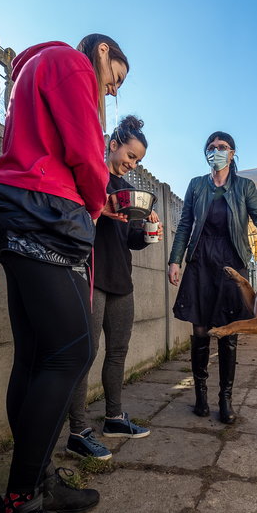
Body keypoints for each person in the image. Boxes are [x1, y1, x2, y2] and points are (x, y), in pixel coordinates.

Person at [0, 33, 128, 513]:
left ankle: (35, 487)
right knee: (73, 350)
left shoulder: (35, 71)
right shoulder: (70, 63)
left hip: (22, 211)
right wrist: (98, 195)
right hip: (41, 213)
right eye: (117, 75)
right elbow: (86, 150)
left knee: (38, 356)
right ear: (103, 51)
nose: (113, 87)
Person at [65, 115, 160, 460]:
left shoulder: (127, 190)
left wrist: (148, 234)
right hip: (90, 274)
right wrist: (97, 209)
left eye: (138, 161)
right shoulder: (90, 175)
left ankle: (114, 419)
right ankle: (77, 431)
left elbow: (129, 238)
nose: (131, 164)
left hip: (122, 278)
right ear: (113, 143)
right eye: (130, 155)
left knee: (118, 352)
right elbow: (71, 218)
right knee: (84, 355)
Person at [168, 132, 257, 424]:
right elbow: (184, 226)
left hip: (231, 263)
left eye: (222, 148)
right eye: (212, 148)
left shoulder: (244, 186)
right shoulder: (196, 185)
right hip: (201, 261)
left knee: (229, 331)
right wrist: (174, 260)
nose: (216, 151)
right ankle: (201, 396)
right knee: (200, 331)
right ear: (207, 153)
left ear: (232, 154)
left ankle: (225, 400)